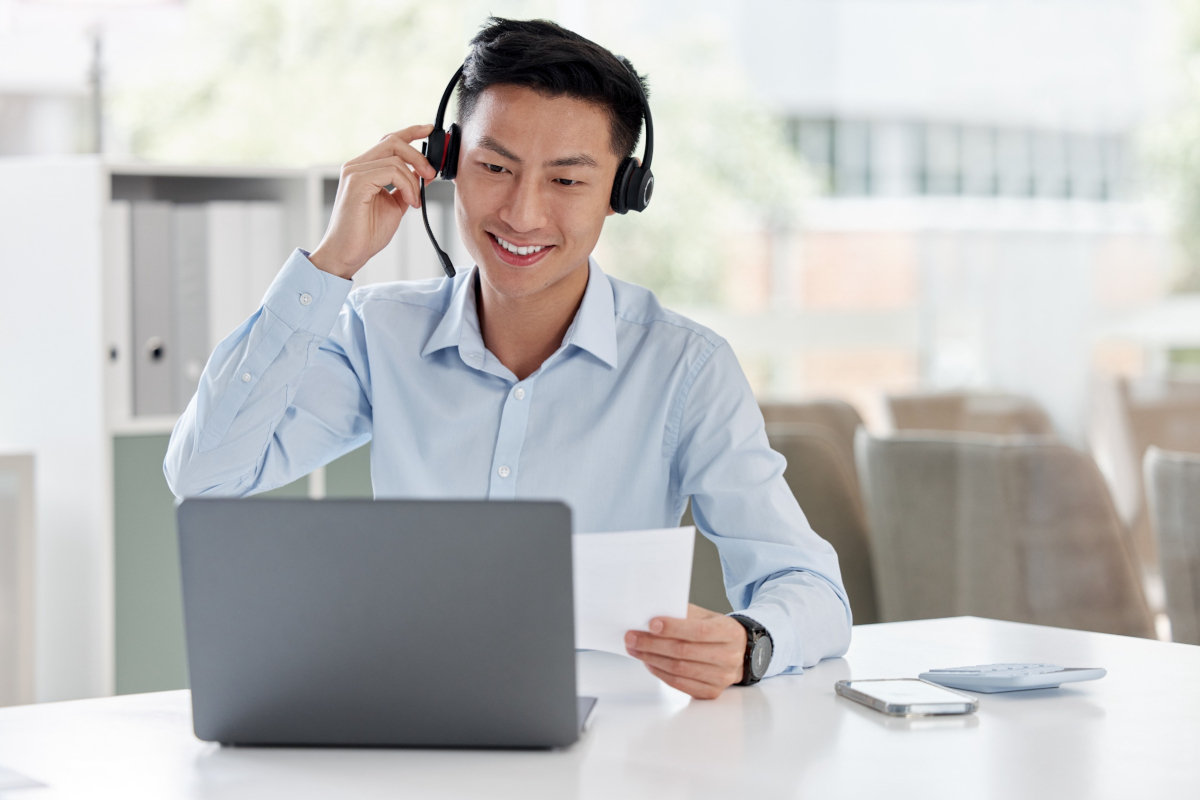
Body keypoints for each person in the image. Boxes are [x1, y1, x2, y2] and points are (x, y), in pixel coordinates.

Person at [164, 17, 850, 700]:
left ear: (622, 194)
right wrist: (333, 262)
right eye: (494, 168)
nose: (522, 214)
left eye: (566, 181)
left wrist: (750, 643)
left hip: (612, 743)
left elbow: (811, 587)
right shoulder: (381, 332)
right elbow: (206, 476)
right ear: (446, 161)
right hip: (414, 721)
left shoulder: (685, 367)